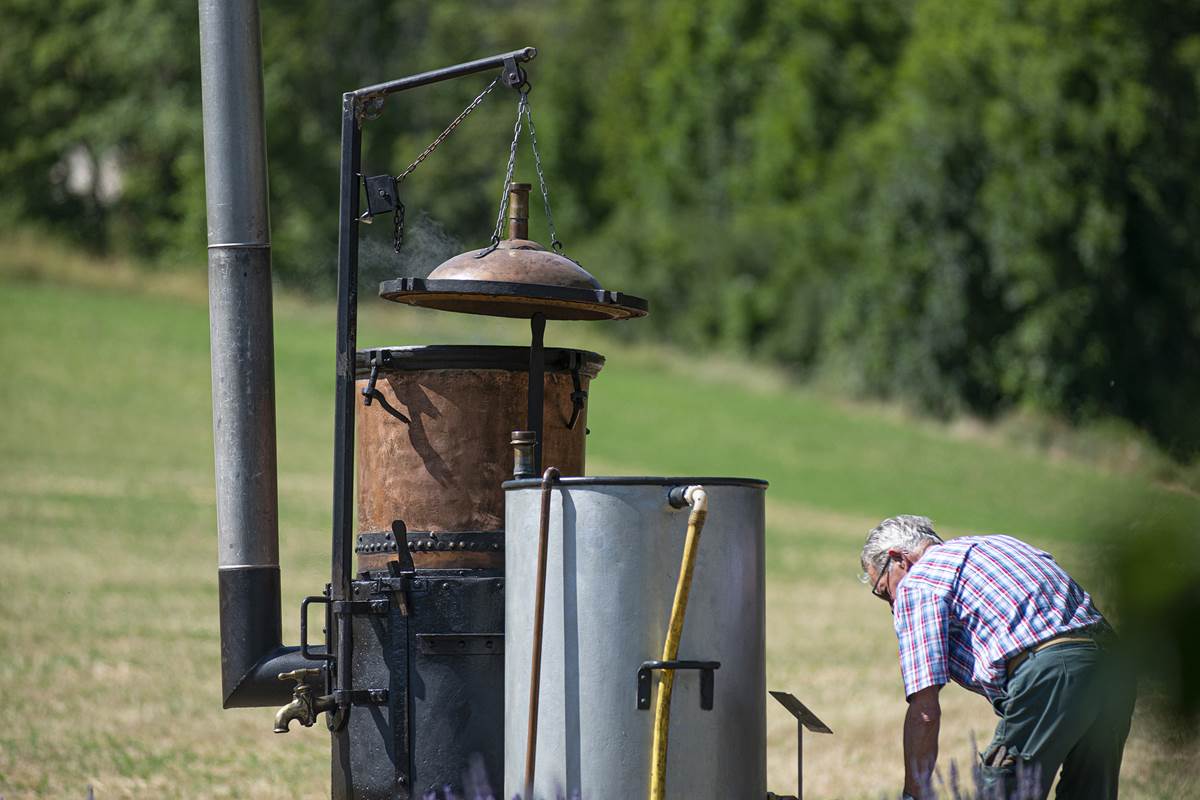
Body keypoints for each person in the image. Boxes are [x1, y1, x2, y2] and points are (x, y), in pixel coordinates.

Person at [859, 515, 1135, 800]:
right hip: (1114, 668)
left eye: (884, 592)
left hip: (1051, 673)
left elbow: (925, 711)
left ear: (899, 559)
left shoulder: (917, 582)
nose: (892, 605)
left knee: (1003, 791)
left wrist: (913, 796)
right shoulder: (997, 544)